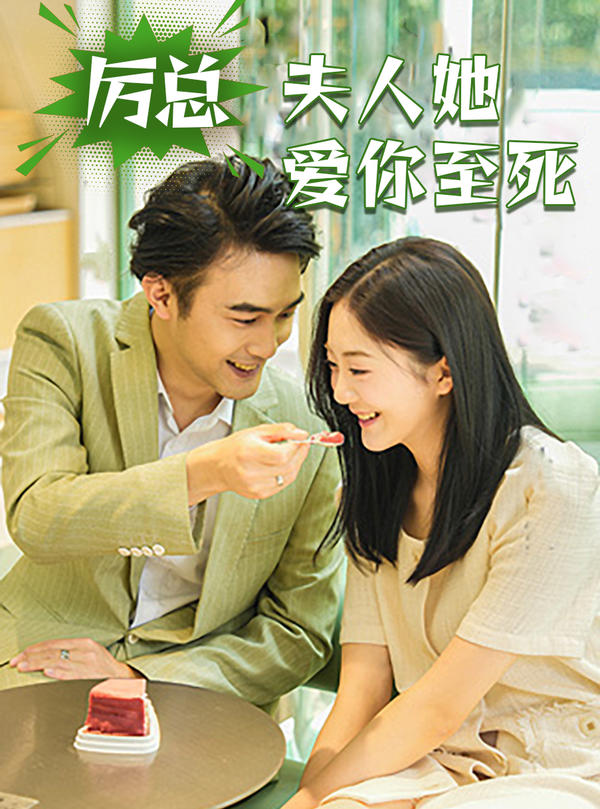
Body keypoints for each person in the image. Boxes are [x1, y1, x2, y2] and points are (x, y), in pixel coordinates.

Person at [0, 155, 343, 707]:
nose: (267, 344)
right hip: (40, 659)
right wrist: (203, 473)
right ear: (160, 294)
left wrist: (140, 678)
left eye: (284, 316)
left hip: (199, 692)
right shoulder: (63, 342)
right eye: (245, 318)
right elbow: (38, 516)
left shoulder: (307, 425)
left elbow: (298, 632)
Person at [282, 237, 600, 808]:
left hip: (559, 764)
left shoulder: (553, 488)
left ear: (444, 372)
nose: (340, 391)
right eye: (332, 366)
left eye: (359, 368)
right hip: (443, 763)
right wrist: (312, 795)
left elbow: (438, 705)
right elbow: (363, 689)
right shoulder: (371, 492)